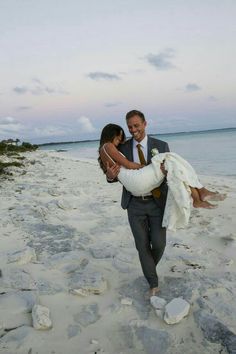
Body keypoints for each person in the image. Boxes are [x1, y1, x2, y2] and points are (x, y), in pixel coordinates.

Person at [99, 111, 225, 296]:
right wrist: (110, 176)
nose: (133, 130)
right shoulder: (122, 147)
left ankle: (198, 194)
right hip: (134, 204)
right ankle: (153, 283)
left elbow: (170, 179)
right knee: (142, 246)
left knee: (159, 244)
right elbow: (114, 171)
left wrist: (164, 173)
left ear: (145, 124)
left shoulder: (160, 145)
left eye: (136, 125)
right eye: (130, 127)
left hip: (157, 202)